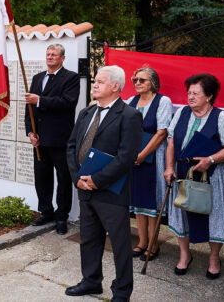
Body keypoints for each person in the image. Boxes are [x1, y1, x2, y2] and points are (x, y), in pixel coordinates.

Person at [65, 66, 142, 301]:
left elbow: (126, 157)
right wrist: (77, 178)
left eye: (100, 81)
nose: (95, 85)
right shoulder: (86, 112)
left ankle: (122, 291)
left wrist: (97, 180)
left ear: (116, 86)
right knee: (89, 239)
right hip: (84, 189)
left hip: (111, 192)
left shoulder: (129, 115)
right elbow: (72, 146)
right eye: (95, 81)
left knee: (120, 244)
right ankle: (91, 281)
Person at [163, 73, 224, 280]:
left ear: (209, 96)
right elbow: (171, 141)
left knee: (214, 216)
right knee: (182, 213)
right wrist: (169, 167)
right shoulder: (182, 112)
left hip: (212, 175)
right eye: (189, 92)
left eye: (196, 93)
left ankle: (214, 258)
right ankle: (185, 255)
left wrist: (211, 160)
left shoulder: (221, 118)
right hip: (182, 173)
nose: (190, 97)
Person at [24, 44, 80, 235]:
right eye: (48, 54)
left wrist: (39, 100)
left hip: (60, 138)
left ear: (62, 58)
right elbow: (29, 108)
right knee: (42, 177)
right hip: (39, 138)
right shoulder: (37, 77)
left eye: (54, 54)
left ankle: (61, 216)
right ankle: (46, 211)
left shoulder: (71, 78)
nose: (50, 57)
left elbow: (67, 103)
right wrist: (30, 132)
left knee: (63, 179)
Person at [124, 67, 173, 260]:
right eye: (135, 80)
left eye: (142, 80)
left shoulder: (163, 101)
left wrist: (143, 154)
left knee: (151, 203)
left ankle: (153, 245)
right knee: (138, 201)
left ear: (152, 82)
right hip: (134, 157)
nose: (137, 83)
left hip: (153, 157)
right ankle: (142, 242)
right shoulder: (131, 101)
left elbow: (162, 132)